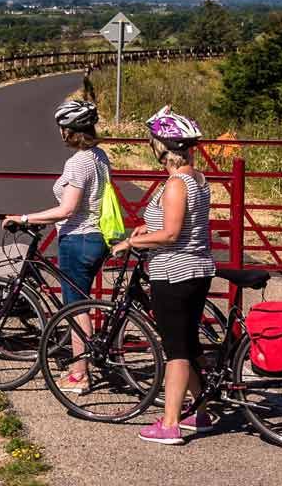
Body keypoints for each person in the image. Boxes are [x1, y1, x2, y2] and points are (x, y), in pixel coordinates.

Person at [110, 106, 215, 445]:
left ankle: (170, 424)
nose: (151, 144)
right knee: (188, 343)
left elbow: (171, 233)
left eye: (153, 140)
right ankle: (201, 412)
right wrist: (146, 228)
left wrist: (130, 241)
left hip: (174, 272)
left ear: (164, 146)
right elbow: (179, 224)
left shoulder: (175, 184)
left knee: (176, 351)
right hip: (196, 268)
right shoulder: (196, 178)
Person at [3, 98, 111, 392]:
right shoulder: (100, 156)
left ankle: (80, 373)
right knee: (81, 304)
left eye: (62, 127)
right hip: (96, 237)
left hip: (78, 239)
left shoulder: (78, 163)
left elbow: (67, 209)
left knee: (76, 308)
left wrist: (25, 217)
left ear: (70, 130)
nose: (60, 133)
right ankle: (83, 366)